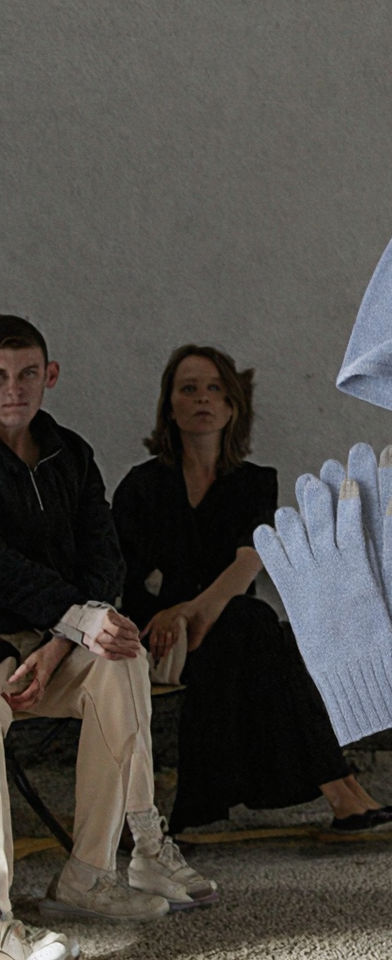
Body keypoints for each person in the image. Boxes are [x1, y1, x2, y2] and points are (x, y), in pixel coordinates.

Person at [111, 343, 392, 834]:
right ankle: (342, 790)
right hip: (158, 639)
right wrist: (179, 619)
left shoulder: (252, 483)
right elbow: (126, 580)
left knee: (252, 625)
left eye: (215, 389)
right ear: (170, 406)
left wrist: (192, 610)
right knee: (264, 629)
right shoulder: (141, 486)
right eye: (189, 389)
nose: (202, 399)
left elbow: (250, 560)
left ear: (232, 406)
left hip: (226, 633)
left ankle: (335, 796)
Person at [0, 316, 217, 960]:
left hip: (54, 644)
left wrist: (64, 639)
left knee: (122, 660)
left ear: (50, 375)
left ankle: (92, 872)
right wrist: (74, 619)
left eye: (27, 373)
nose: (13, 389)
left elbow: (106, 557)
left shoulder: (71, 453)